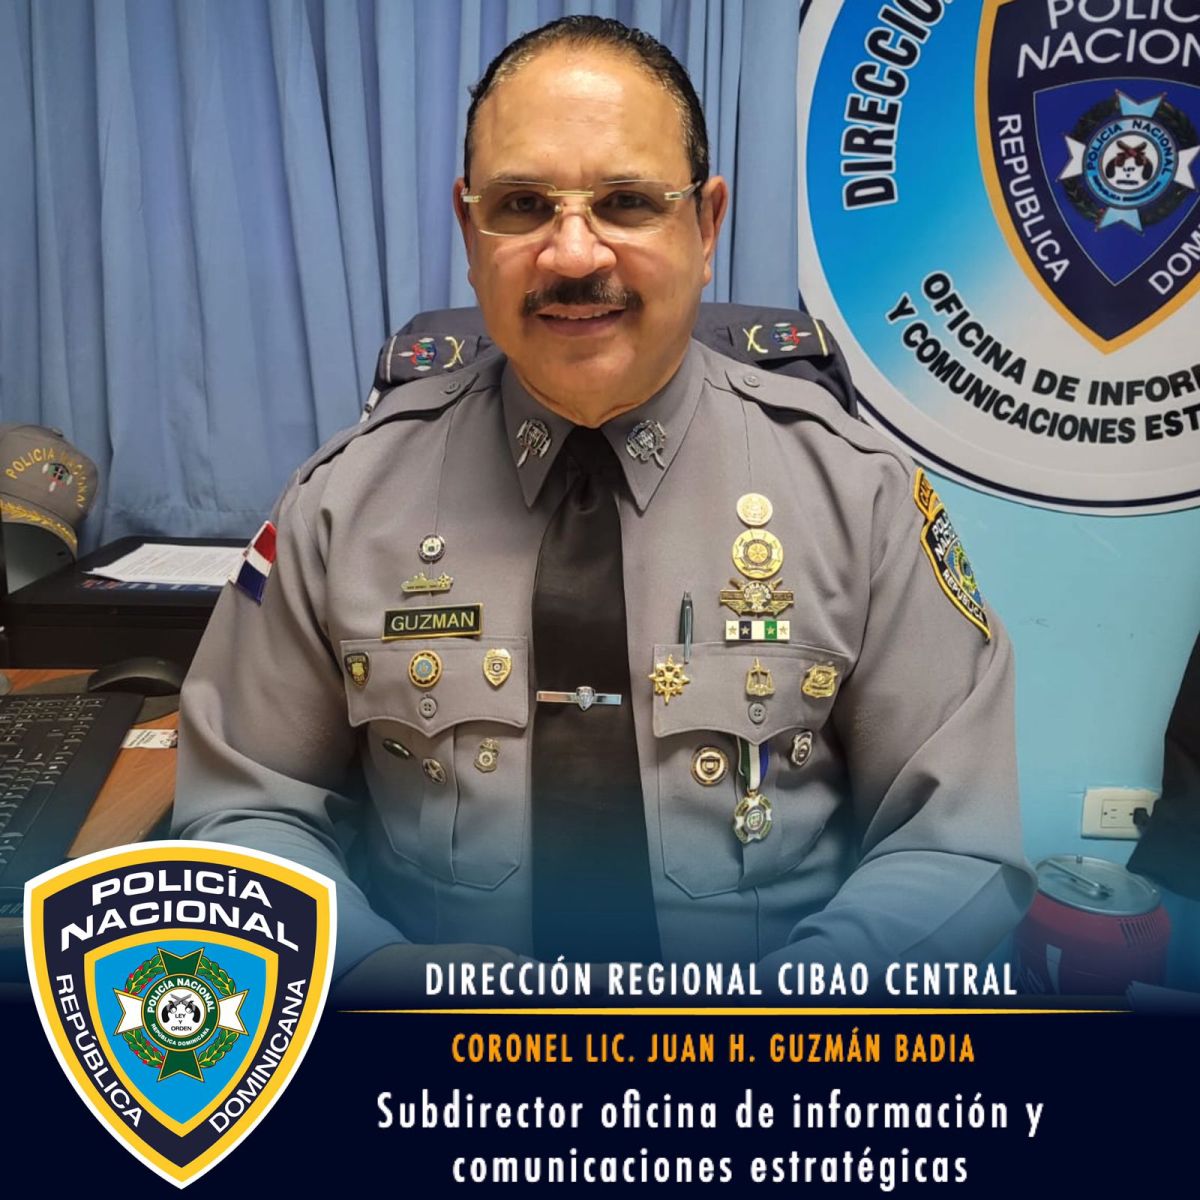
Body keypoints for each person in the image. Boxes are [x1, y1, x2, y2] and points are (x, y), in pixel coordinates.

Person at [176, 17, 1034, 998]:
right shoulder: (341, 504)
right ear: (470, 232)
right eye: (523, 205)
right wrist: (375, 975)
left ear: (706, 226)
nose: (573, 254)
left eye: (627, 202)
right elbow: (244, 812)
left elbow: (955, 845)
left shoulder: (860, 496)